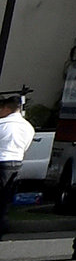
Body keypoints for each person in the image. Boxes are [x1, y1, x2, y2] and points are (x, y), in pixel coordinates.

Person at [0, 89, 30, 236]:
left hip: (1, 162)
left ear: (6, 108)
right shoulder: (28, 127)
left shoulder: (2, 124)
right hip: (16, 164)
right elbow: (25, 147)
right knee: (5, 201)